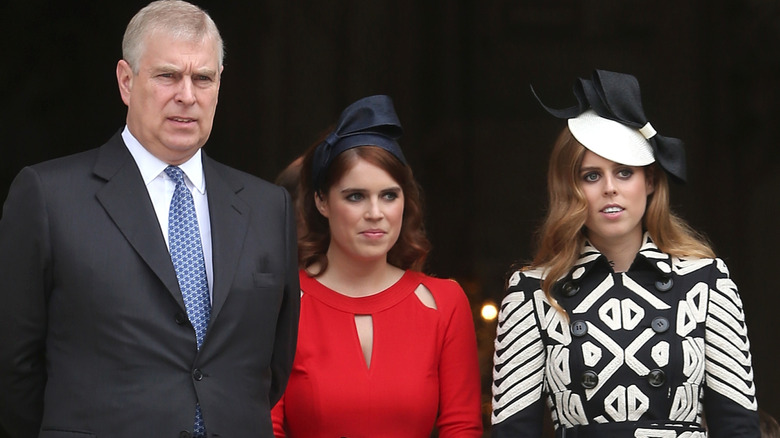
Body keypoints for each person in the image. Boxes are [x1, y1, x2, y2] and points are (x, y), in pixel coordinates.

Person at [0, 1, 299, 437]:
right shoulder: (49, 197)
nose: (187, 95)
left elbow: (272, 363)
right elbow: (14, 365)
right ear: (126, 81)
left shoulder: (269, 207)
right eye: (167, 76)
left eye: (203, 78)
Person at [490, 70, 760, 437]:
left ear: (650, 181)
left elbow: (738, 427)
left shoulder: (707, 282)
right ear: (570, 188)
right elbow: (513, 432)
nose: (610, 188)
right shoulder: (533, 291)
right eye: (591, 175)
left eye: (624, 172)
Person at [271, 95, 483, 437]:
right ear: (322, 201)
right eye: (355, 196)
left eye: (389, 195)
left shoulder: (444, 302)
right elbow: (266, 425)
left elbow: (462, 427)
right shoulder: (283, 302)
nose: (375, 213)